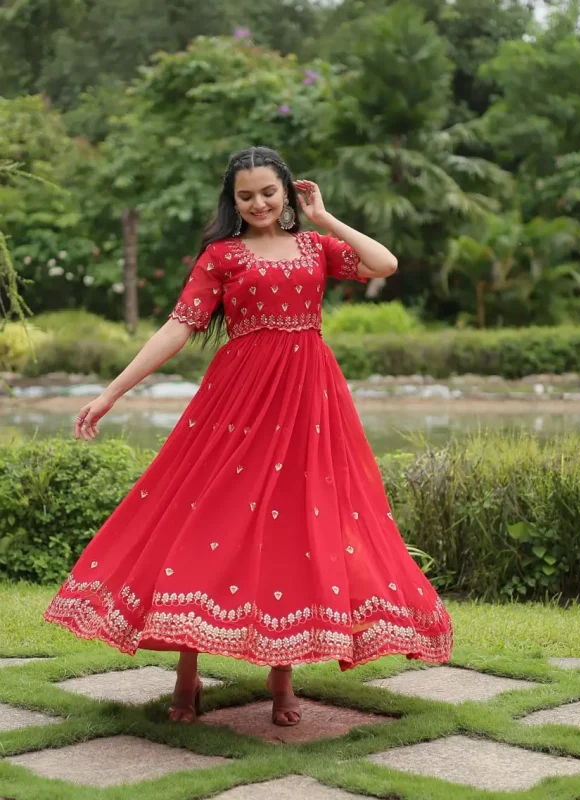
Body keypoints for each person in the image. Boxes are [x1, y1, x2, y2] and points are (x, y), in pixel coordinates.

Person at [44, 146, 452, 727]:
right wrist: (113, 392)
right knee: (203, 516)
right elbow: (179, 326)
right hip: (237, 402)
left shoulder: (315, 245)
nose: (258, 203)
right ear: (232, 200)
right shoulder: (221, 256)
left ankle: (282, 684)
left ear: (287, 190)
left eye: (268, 191)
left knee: (293, 526)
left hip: (309, 399)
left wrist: (325, 218)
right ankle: (187, 677)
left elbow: (383, 264)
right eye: (245, 195)